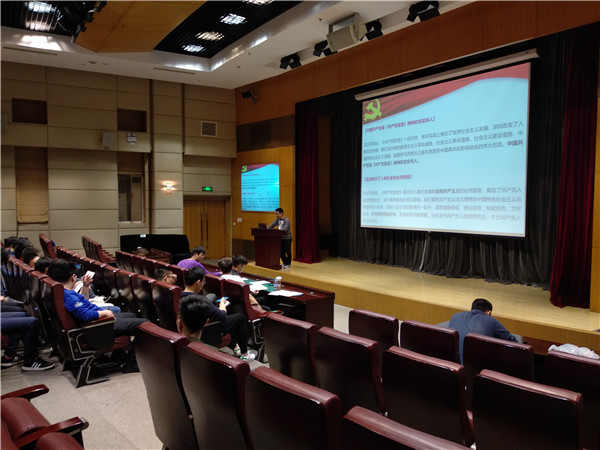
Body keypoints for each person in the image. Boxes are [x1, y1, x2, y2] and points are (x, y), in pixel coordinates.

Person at [47, 259, 148, 372]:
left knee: (131, 315)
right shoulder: (68, 296)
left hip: (93, 325)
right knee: (144, 324)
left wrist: (85, 286)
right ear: (73, 277)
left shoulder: (62, 291)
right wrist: (103, 313)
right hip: (95, 328)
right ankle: (132, 363)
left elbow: (83, 303)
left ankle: (118, 356)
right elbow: (84, 315)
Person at [182, 266, 255, 361]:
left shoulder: (179, 295)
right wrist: (222, 305)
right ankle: (245, 355)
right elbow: (222, 316)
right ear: (198, 282)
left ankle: (234, 346)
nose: (203, 284)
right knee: (239, 318)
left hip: (188, 328)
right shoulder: (202, 301)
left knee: (214, 299)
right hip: (205, 331)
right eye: (204, 282)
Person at [449, 298, 519, 363]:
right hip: (479, 368)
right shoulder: (491, 321)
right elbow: (513, 342)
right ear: (489, 313)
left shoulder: (455, 316)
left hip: (454, 366)